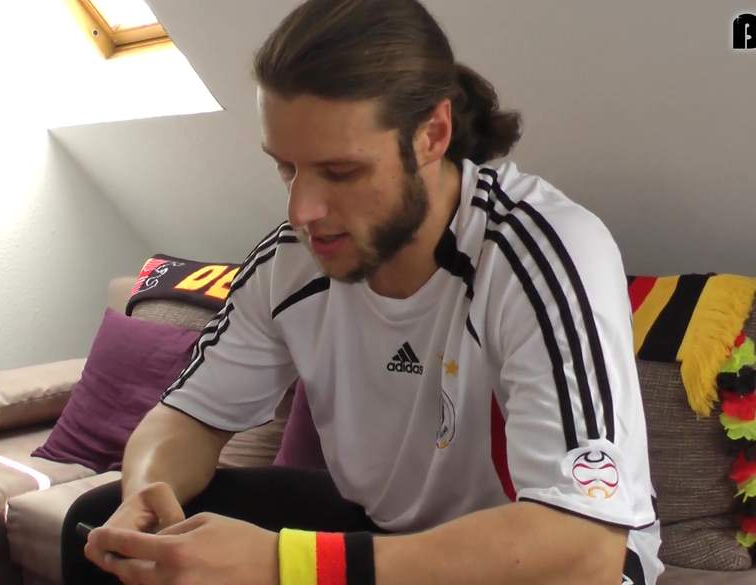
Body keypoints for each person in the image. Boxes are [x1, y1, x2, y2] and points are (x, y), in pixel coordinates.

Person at [63, 0, 663, 583]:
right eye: (286, 167)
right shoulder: (291, 260)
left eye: (341, 172)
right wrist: (145, 497)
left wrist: (284, 565)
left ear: (432, 134)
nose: (302, 210)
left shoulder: (543, 252)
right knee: (104, 529)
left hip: (549, 558)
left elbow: (584, 551)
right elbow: (185, 419)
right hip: (389, 532)